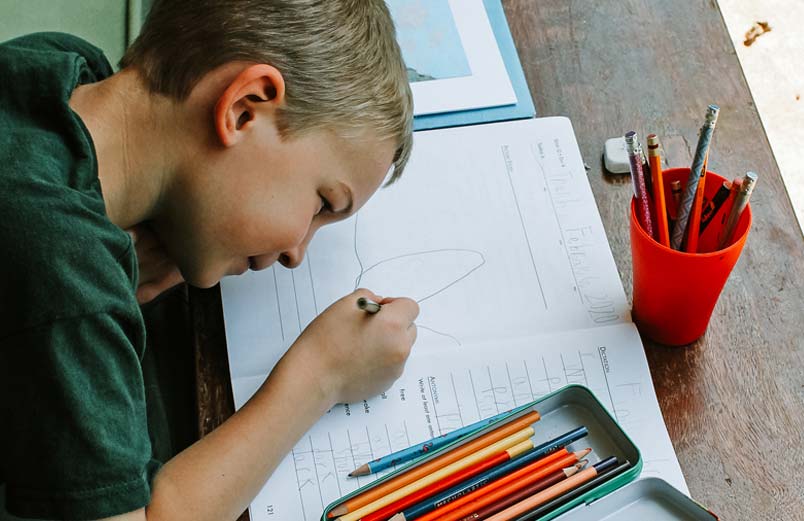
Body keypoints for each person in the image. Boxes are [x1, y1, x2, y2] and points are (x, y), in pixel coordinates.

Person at [0, 1, 418, 520]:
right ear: (244, 108)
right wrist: (320, 376)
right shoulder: (67, 274)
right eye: (322, 204)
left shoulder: (57, 64)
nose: (295, 251)